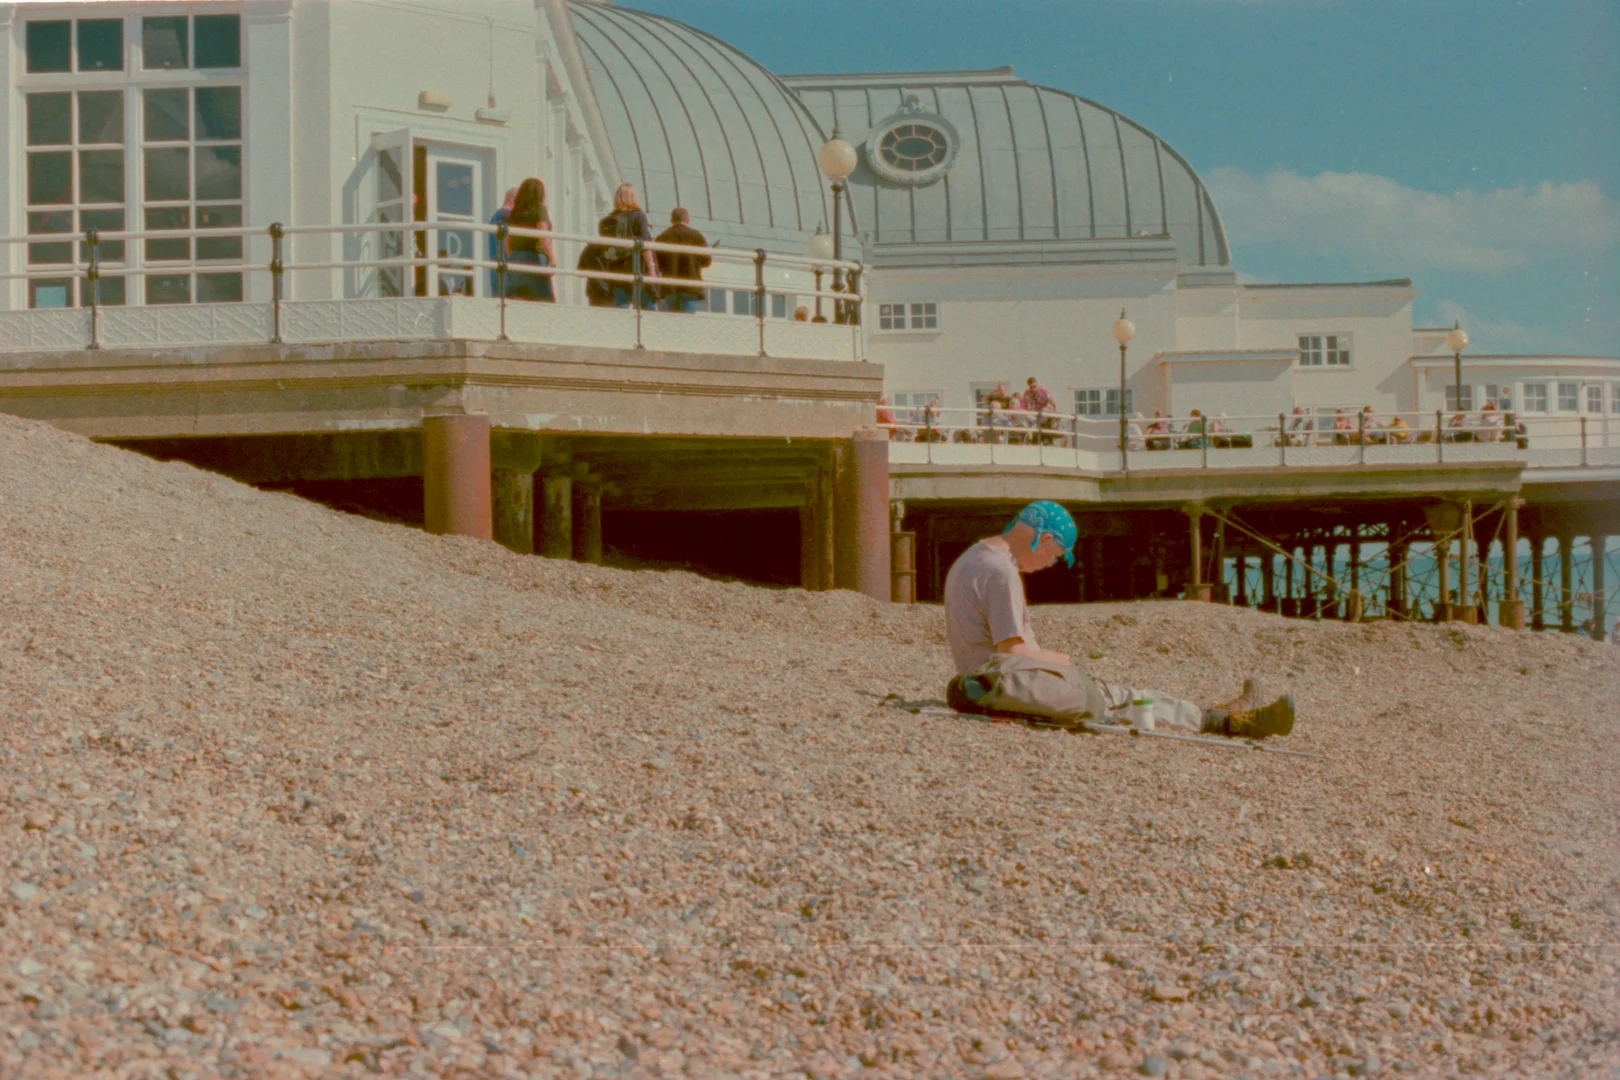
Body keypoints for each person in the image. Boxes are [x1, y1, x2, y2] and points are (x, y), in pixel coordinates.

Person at [942, 501, 1296, 738]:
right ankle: (1228, 722)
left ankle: (1218, 715)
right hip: (1008, 679)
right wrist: (1057, 659)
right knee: (1125, 699)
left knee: (1118, 696)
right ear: (1044, 539)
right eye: (1056, 555)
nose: (1052, 564)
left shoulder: (974, 556)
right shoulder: (1002, 571)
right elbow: (1011, 646)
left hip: (991, 676)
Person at [602, 183, 657, 309]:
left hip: (617, 268)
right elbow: (645, 244)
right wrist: (651, 267)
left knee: (621, 307)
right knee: (648, 307)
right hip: (637, 266)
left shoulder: (610, 219)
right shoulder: (639, 216)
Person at [504, 178, 556, 303]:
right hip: (535, 257)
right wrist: (552, 258)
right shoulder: (539, 209)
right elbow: (542, 235)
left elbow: (507, 238)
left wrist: (511, 255)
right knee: (543, 301)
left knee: (517, 300)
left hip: (516, 256)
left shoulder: (515, 212)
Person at [654, 207, 711, 314]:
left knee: (672, 322)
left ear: (671, 221)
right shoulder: (697, 236)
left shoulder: (662, 237)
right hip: (690, 286)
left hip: (669, 286)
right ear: (688, 220)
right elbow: (706, 262)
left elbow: (658, 264)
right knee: (686, 323)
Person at [576, 216, 620, 307]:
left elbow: (580, 271)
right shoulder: (619, 248)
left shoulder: (589, 247)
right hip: (614, 293)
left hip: (594, 292)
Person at [488, 186, 518, 295]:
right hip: (506, 271)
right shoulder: (506, 215)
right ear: (512, 199)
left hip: (496, 272)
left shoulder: (495, 216)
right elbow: (507, 242)